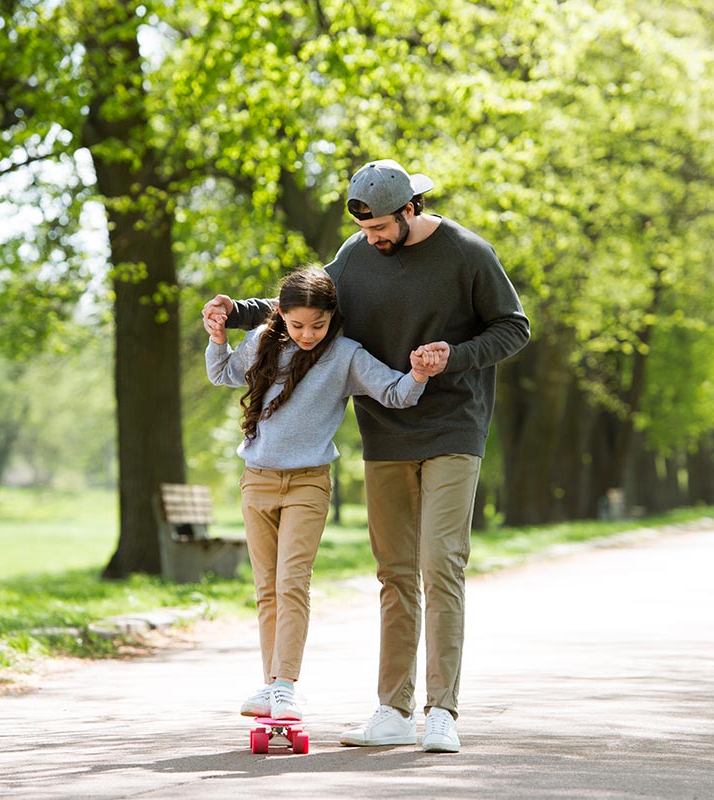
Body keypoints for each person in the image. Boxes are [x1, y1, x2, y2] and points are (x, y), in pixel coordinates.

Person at [203, 159, 530, 753]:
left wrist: (450, 358)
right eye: (366, 229)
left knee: (440, 564)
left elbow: (514, 328)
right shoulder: (358, 253)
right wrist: (237, 314)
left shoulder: (467, 253)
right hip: (385, 429)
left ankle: (442, 711)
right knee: (395, 572)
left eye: (381, 227)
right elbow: (303, 300)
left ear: (411, 210)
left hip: (454, 426)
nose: (372, 239)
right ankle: (393, 708)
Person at [205, 267, 443, 722]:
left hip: (308, 482)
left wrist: (417, 374)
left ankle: (284, 686)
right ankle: (272, 684)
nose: (308, 334)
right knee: (266, 589)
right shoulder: (262, 343)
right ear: (282, 316)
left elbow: (396, 394)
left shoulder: (346, 355)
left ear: (333, 317)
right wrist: (218, 336)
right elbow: (222, 374)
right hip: (256, 480)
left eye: (318, 324)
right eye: (297, 325)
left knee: (292, 582)